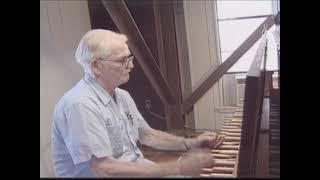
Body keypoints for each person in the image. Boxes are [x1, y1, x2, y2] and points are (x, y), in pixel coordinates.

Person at [51, 29, 225, 177]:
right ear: (96, 66)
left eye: (129, 58)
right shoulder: (80, 104)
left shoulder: (121, 95)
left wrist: (190, 143)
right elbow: (104, 169)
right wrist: (179, 167)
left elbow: (147, 135)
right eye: (122, 61)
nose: (131, 66)